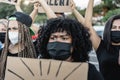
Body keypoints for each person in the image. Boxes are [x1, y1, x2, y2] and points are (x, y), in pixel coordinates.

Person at [37, 18, 104, 80]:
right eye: (53, 38)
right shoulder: (39, 68)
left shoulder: (88, 71)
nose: (57, 41)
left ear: (76, 43)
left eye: (64, 38)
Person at [71, 0, 120, 80]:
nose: (117, 30)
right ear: (108, 29)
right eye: (114, 27)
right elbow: (87, 25)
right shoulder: (102, 46)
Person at [0, 12, 37, 80]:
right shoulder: (2, 52)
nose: (11, 32)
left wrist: (39, 6)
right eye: (9, 29)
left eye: (14, 28)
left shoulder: (35, 49)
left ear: (25, 30)